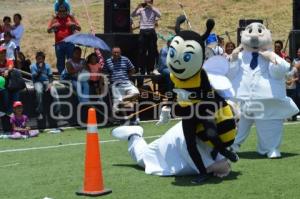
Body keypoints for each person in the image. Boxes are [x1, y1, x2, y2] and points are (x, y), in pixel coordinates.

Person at [111, 123, 231, 179]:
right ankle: (134, 134)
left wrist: (221, 163)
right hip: (160, 157)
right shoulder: (186, 138)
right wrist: (223, 164)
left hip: (172, 147)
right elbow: (211, 168)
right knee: (142, 158)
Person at [131, 0, 161, 86]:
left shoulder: (154, 9)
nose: (146, 3)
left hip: (151, 30)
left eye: (148, 1)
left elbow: (160, 15)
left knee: (152, 51)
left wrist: (151, 7)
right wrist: (138, 6)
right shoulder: (141, 10)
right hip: (143, 30)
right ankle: (141, 69)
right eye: (145, 1)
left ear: (151, 2)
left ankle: (151, 69)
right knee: (141, 51)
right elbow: (132, 15)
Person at [103, 46, 139, 111]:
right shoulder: (108, 61)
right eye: (114, 52)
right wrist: (106, 80)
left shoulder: (125, 59)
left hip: (127, 83)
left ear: (120, 53)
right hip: (116, 85)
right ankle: (118, 117)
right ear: (112, 53)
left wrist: (127, 76)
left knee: (136, 93)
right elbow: (104, 72)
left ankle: (120, 99)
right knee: (120, 106)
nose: (116, 54)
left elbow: (132, 69)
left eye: (118, 52)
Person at [47, 4, 81, 74]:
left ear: (66, 11)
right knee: (60, 62)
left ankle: (70, 76)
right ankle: (61, 78)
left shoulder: (70, 17)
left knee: (71, 61)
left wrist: (73, 24)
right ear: (57, 11)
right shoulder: (55, 19)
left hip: (70, 43)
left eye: (63, 11)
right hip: (59, 44)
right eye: (60, 11)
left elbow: (79, 28)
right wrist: (53, 26)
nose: (61, 12)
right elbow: (48, 30)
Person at [31, 51, 61, 120]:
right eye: (38, 59)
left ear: (44, 59)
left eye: (41, 59)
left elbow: (50, 76)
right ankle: (39, 112)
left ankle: (57, 111)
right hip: (37, 82)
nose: (40, 60)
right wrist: (40, 69)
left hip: (46, 81)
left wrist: (50, 84)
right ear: (36, 59)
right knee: (39, 92)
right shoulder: (33, 66)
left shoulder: (47, 65)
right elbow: (35, 77)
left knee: (54, 91)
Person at [285, 56, 299, 121]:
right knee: (286, 103)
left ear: (291, 62)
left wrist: (292, 80)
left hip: (293, 88)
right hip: (285, 89)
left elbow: (298, 77)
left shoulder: (294, 69)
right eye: (286, 61)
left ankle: (294, 116)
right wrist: (285, 81)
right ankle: (288, 116)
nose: (287, 62)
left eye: (288, 61)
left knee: (293, 102)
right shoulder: (283, 69)